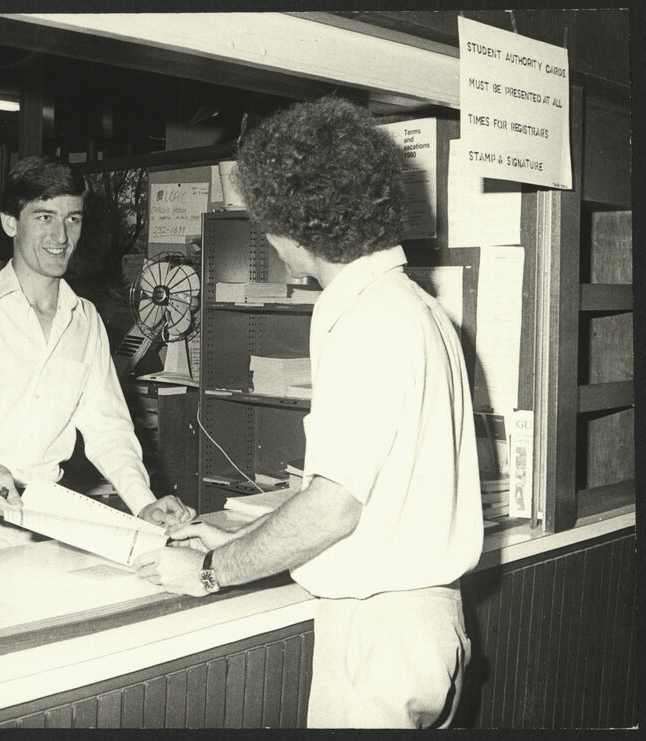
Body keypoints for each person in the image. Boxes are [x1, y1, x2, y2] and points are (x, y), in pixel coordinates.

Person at [132, 98, 484, 728]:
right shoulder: (414, 306)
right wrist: (239, 540)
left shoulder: (367, 320)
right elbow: (376, 494)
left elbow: (333, 507)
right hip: (425, 626)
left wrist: (211, 570)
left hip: (376, 637)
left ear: (294, 226)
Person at [0, 155, 195, 559]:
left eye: (72, 219)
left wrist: (143, 503)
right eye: (44, 217)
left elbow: (108, 429)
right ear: (10, 222)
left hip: (44, 517)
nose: (61, 236)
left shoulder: (86, 320)